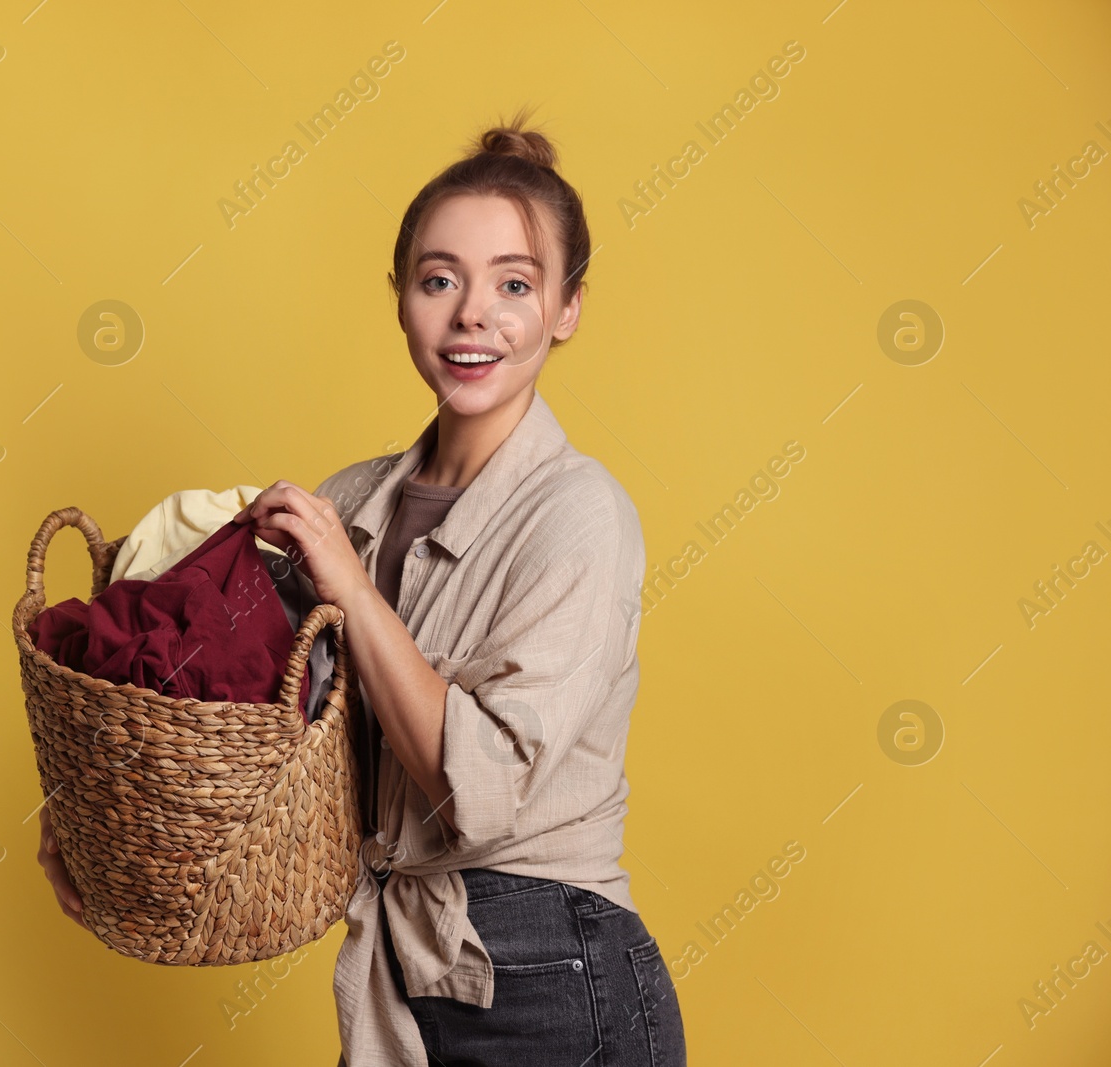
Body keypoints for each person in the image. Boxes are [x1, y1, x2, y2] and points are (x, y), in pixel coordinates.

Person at [40, 107, 687, 1065]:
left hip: (553, 969)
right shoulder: (349, 500)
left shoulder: (579, 514)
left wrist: (350, 582)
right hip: (405, 971)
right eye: (440, 280)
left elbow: (484, 793)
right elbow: (255, 719)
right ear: (400, 298)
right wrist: (100, 812)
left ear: (568, 309)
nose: (473, 314)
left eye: (515, 283)